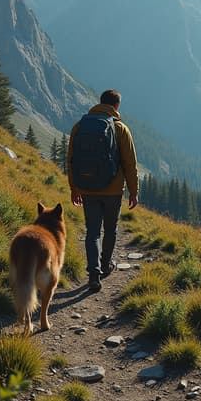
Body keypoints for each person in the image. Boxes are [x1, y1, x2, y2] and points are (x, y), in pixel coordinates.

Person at [67, 89, 138, 292]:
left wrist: (75, 188)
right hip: (113, 191)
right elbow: (130, 164)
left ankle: (93, 275)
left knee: (92, 232)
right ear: (116, 106)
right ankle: (106, 265)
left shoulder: (79, 127)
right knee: (110, 230)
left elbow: (71, 161)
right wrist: (133, 191)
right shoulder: (120, 128)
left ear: (100, 103)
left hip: (87, 188)